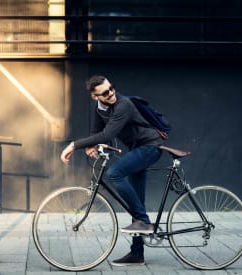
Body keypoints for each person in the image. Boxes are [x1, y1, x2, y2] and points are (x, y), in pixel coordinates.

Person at [60, 75, 164, 266]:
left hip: (150, 147)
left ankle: (143, 220)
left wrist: (74, 145)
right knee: (136, 201)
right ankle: (137, 253)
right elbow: (96, 131)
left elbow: (108, 134)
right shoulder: (100, 107)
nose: (111, 94)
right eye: (105, 93)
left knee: (114, 173)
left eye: (112, 88)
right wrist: (90, 145)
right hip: (137, 150)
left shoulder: (123, 104)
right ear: (95, 97)